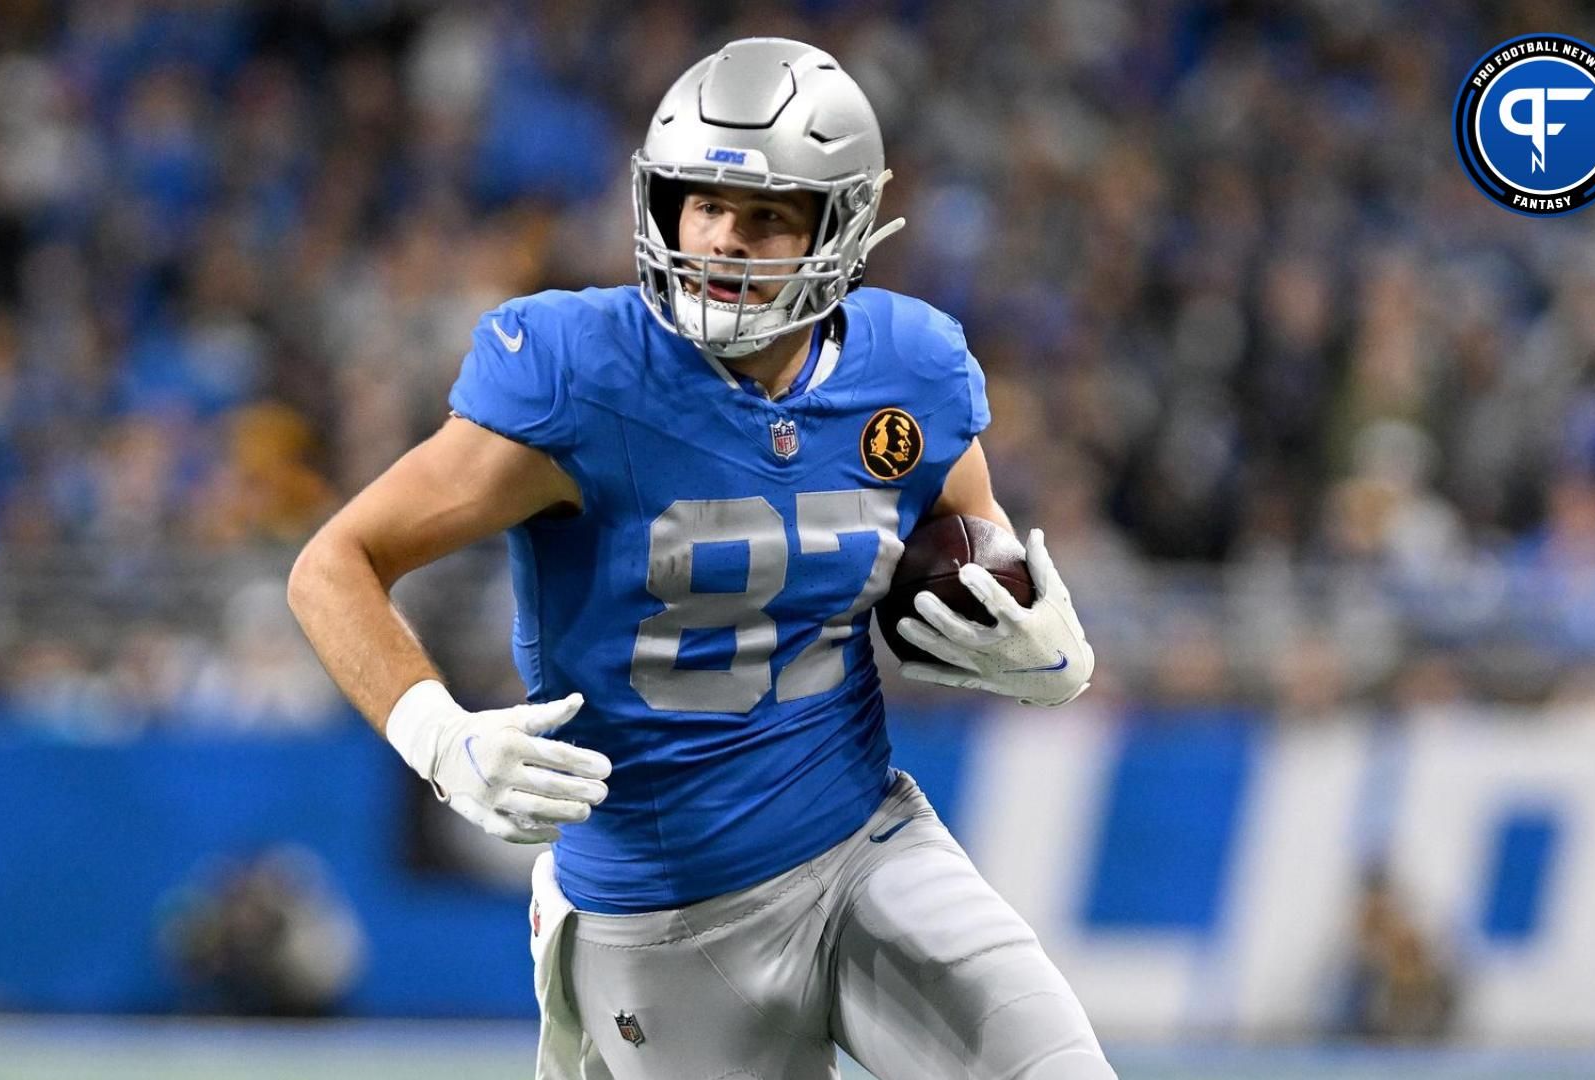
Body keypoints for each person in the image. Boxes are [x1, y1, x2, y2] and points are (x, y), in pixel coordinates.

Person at [288, 37, 1111, 1080]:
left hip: (867, 848)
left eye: (767, 215)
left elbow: (972, 557)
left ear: (841, 225)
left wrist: (1041, 649)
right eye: (703, 203)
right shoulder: (580, 376)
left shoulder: (914, 371)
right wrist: (436, 735)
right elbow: (335, 562)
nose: (723, 237)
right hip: (666, 913)